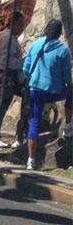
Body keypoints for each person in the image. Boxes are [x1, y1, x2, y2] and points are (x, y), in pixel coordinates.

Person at [23, 19, 72, 170]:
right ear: (59, 34)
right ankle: (68, 125)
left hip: (35, 90)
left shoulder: (35, 45)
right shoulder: (63, 51)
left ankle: (30, 160)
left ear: (45, 30)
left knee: (34, 122)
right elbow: (67, 78)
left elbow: (26, 69)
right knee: (71, 92)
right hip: (53, 92)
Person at [0, 12, 29, 148]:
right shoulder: (7, 37)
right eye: (21, 24)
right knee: (1, 106)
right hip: (6, 76)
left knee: (2, 105)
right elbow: (7, 61)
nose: (22, 27)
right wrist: (22, 62)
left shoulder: (7, 35)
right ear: (15, 23)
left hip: (5, 76)